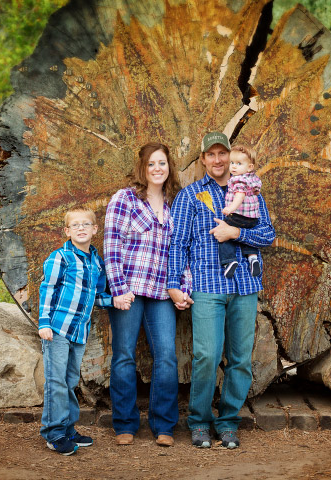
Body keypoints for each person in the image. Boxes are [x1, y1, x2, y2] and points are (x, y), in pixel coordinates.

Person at [167, 131, 275, 449]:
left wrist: (234, 232)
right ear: (203, 159)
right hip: (207, 287)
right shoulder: (190, 196)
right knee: (207, 356)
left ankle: (227, 421)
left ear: (231, 156)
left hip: (245, 288)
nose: (218, 160)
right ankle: (199, 421)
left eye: (222, 154)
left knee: (240, 359)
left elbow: (267, 234)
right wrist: (174, 284)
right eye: (211, 155)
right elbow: (178, 245)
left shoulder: (252, 194)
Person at [104, 142, 193, 448]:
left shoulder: (175, 203)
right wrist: (118, 289)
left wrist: (183, 288)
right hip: (128, 291)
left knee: (167, 356)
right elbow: (111, 246)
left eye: (163, 163)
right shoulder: (124, 199)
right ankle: (125, 423)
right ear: (142, 167)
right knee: (125, 356)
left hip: (161, 291)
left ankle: (163, 424)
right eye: (152, 163)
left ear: (170, 168)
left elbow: (181, 250)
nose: (157, 168)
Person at [38, 206, 114, 456]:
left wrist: (116, 300)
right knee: (56, 381)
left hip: (79, 331)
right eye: (75, 225)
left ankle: (68, 428)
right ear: (67, 231)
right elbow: (47, 289)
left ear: (95, 229)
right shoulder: (60, 257)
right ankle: (54, 433)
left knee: (70, 381)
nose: (81, 228)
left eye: (86, 224)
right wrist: (44, 323)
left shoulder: (96, 262)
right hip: (57, 329)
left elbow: (98, 296)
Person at [219, 144, 263, 278]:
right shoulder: (253, 178)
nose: (233, 166)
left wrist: (230, 208)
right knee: (248, 236)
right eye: (232, 162)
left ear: (250, 167)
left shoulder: (238, 180)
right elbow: (256, 190)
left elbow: (240, 195)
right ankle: (252, 258)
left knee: (224, 233)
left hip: (238, 215)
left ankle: (229, 261)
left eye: (238, 163)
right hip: (252, 218)